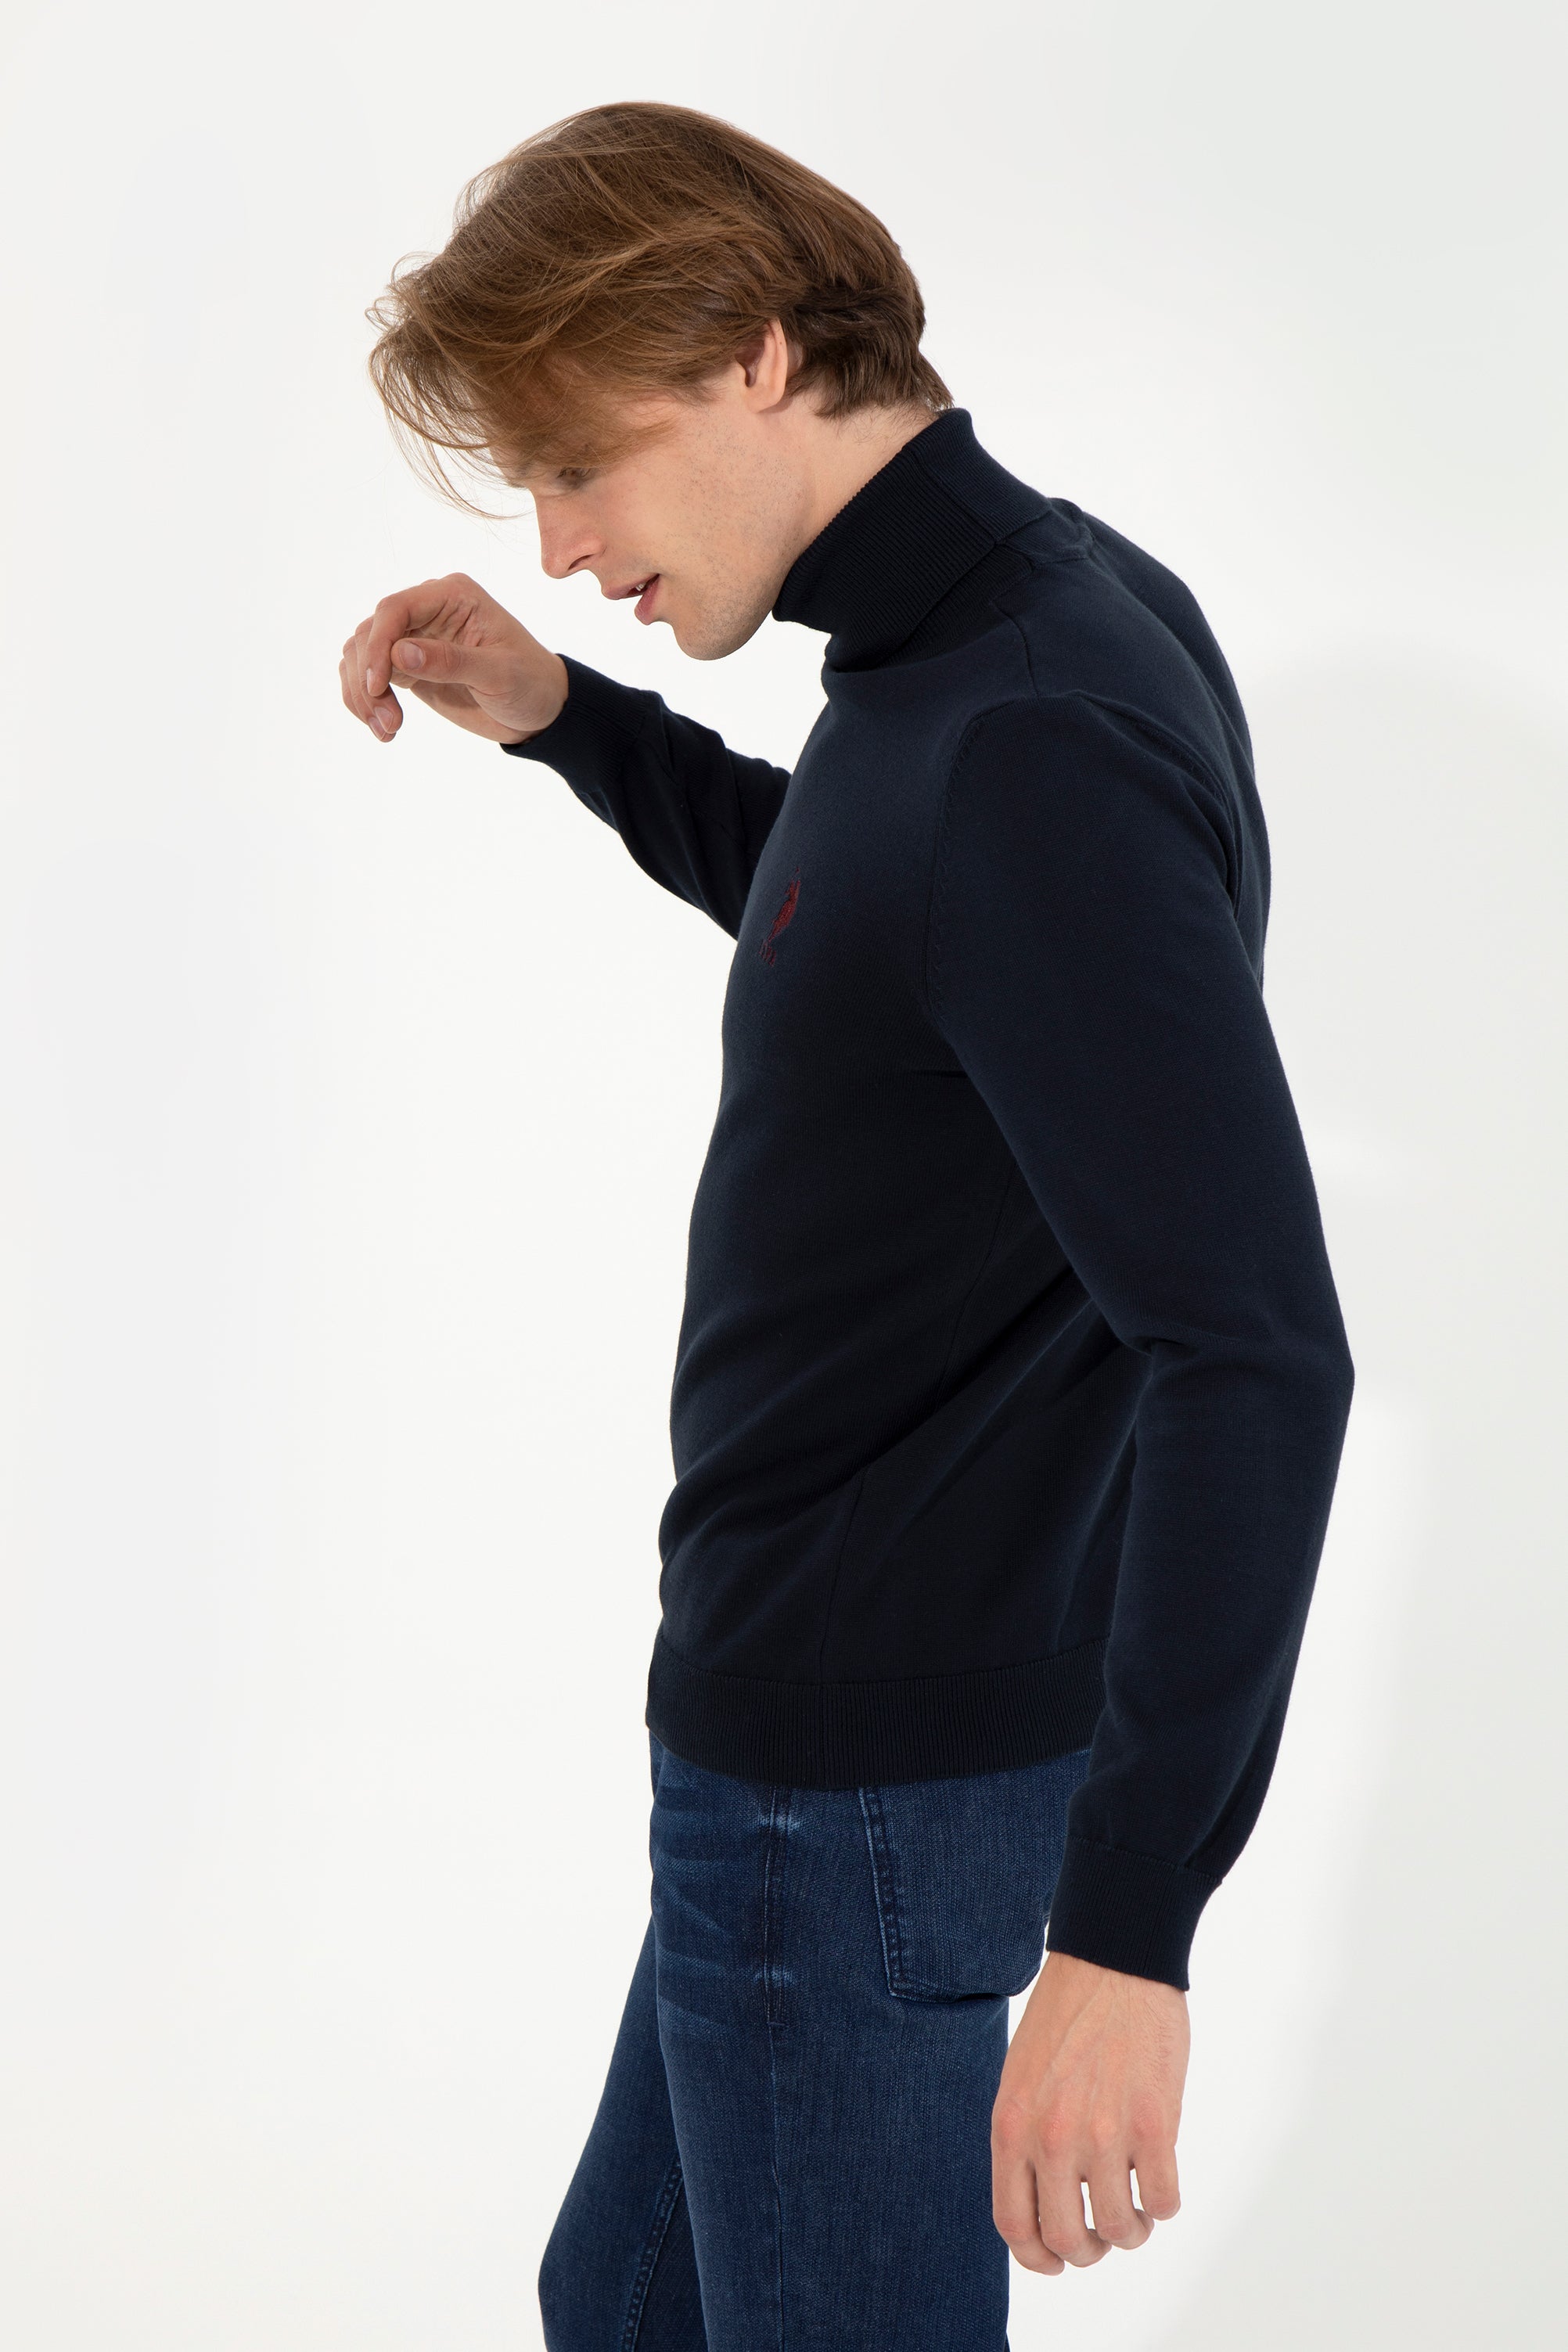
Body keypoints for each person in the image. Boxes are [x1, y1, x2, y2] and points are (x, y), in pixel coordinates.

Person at [340, 99, 1354, 2351]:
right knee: (620, 2306)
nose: (558, 541)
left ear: (755, 355)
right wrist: (571, 728)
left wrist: (1130, 1938)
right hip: (830, 1762)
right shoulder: (1011, 636)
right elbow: (879, 924)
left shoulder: (1020, 736)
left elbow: (1257, 1352)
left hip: (853, 1795)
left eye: (578, 464)